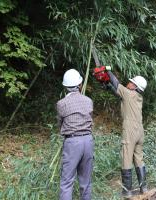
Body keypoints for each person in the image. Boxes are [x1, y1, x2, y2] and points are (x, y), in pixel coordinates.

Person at [106, 66, 147, 198]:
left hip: (130, 130)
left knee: (126, 159)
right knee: (138, 159)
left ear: (135, 86)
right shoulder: (137, 97)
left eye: (131, 82)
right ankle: (143, 188)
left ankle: (127, 191)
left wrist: (107, 71)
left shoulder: (128, 93)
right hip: (140, 131)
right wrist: (108, 87)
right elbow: (119, 94)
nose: (128, 83)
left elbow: (117, 84)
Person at [56, 69, 94, 200]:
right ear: (80, 85)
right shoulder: (88, 101)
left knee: (67, 182)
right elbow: (90, 120)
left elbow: (60, 124)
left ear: (65, 86)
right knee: (86, 181)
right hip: (88, 141)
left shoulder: (61, 104)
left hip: (72, 142)